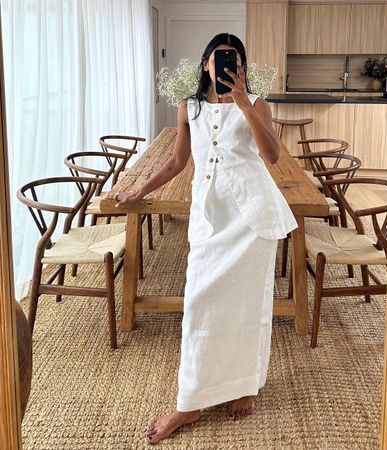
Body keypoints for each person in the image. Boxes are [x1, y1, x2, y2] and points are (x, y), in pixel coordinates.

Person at [108, 33, 298, 445]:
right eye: (218, 58)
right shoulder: (189, 107)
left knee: (248, 304)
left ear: (241, 66)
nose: (225, 65)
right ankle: (189, 402)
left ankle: (244, 384)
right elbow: (179, 160)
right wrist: (141, 190)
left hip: (252, 218)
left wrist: (245, 104)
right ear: (206, 64)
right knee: (199, 302)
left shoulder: (258, 102)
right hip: (210, 219)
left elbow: (272, 156)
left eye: (234, 59)